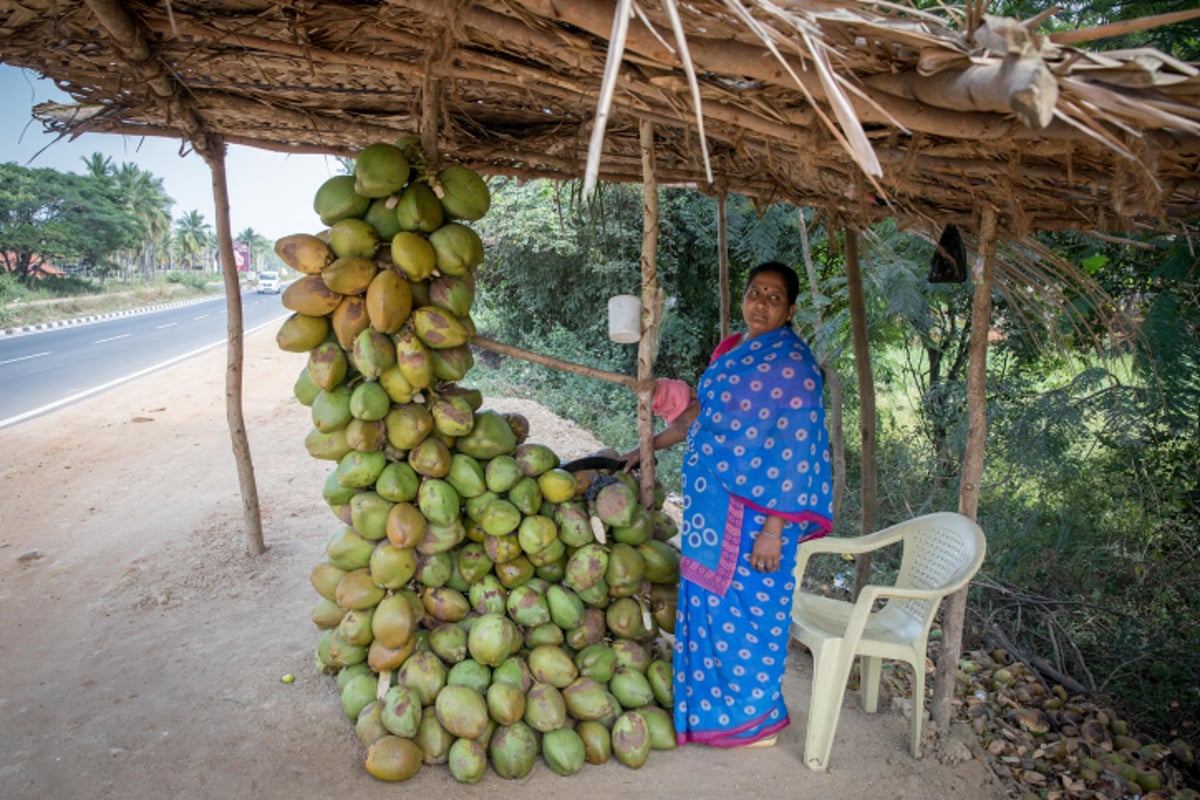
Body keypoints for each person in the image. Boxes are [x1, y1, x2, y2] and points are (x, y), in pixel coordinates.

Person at [623, 260, 834, 748]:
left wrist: (775, 530)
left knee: (751, 618)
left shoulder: (796, 370)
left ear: (790, 309)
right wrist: (649, 445)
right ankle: (712, 715)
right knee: (706, 609)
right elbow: (702, 414)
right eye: (755, 292)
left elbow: (796, 453)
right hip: (709, 515)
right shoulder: (732, 351)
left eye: (774, 296)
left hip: (759, 523)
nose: (761, 302)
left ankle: (751, 721)